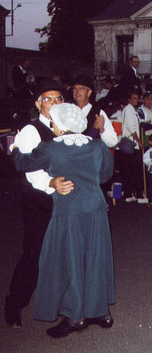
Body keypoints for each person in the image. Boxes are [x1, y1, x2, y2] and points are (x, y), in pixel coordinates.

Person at [11, 103, 114, 338]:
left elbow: (21, 163)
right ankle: (101, 313)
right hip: (96, 210)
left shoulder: (51, 148)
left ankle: (76, 316)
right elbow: (106, 175)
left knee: (71, 262)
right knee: (95, 258)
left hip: (69, 211)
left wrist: (16, 146)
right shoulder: (97, 145)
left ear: (60, 124)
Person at [4, 78, 74, 329]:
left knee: (66, 253)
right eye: (48, 99)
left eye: (58, 99)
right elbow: (28, 167)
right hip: (39, 200)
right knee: (34, 255)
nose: (54, 103)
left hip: (65, 201)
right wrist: (51, 183)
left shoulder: (69, 126)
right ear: (38, 103)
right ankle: (14, 305)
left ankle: (68, 309)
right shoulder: (31, 130)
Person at [72, 75, 119, 148]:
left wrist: (102, 130)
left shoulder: (99, 113)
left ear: (89, 92)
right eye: (75, 89)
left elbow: (113, 142)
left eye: (81, 89)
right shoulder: (69, 111)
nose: (77, 92)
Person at [120, 91, 146, 203]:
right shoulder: (129, 110)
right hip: (131, 145)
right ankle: (138, 194)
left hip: (132, 145)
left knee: (130, 171)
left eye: (137, 98)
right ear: (129, 100)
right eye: (134, 98)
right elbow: (131, 128)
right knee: (135, 170)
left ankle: (130, 193)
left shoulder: (132, 110)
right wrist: (139, 142)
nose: (136, 100)